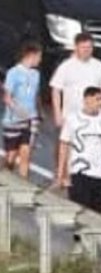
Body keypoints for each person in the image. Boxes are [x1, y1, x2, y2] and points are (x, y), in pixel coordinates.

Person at [56, 87, 101, 214]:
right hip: (79, 171)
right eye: (97, 99)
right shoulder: (73, 119)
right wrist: (61, 173)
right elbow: (64, 145)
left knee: (97, 213)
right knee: (81, 211)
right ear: (87, 100)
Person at [50, 32, 101, 129]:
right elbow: (56, 90)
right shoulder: (66, 66)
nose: (86, 50)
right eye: (83, 47)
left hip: (94, 118)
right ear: (76, 47)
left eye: (89, 47)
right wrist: (57, 114)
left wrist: (93, 97)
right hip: (70, 118)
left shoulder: (100, 66)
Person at [3, 41, 42, 179]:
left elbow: (36, 95)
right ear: (30, 55)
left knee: (26, 153)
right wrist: (18, 110)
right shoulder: (13, 73)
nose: (40, 60)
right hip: (13, 120)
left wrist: (39, 113)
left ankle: (23, 184)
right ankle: (6, 177)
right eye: (39, 57)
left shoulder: (36, 74)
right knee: (11, 156)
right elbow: (7, 97)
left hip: (31, 119)